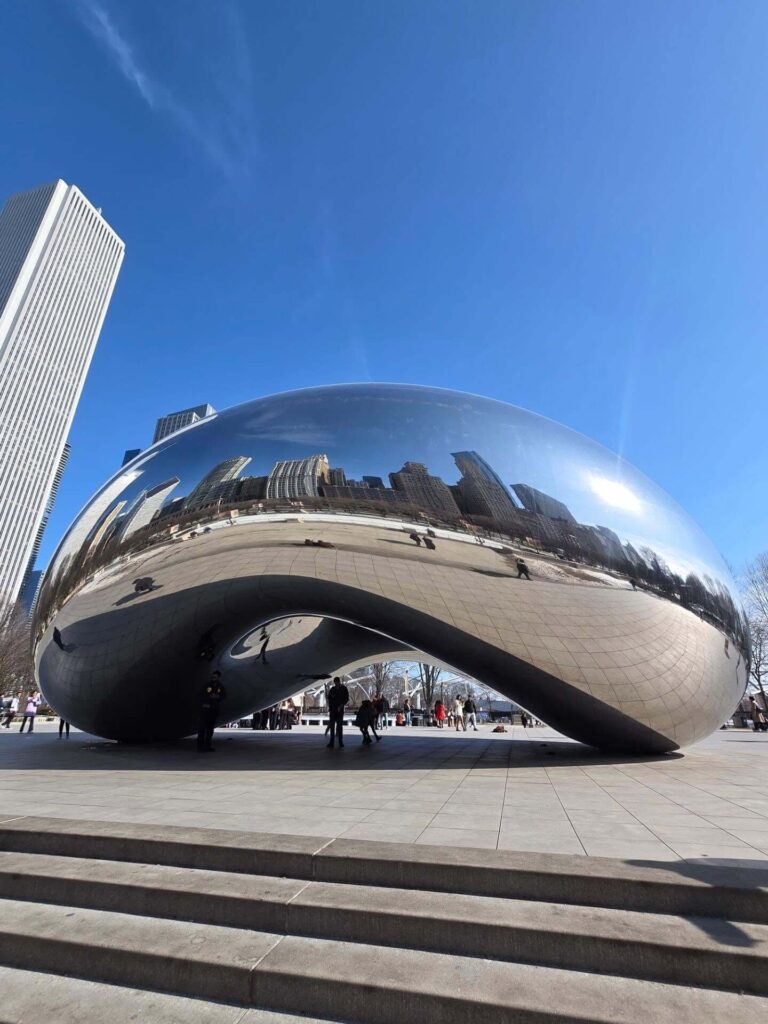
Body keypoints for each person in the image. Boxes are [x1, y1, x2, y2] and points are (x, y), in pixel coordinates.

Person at [197, 670, 226, 752]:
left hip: (213, 710)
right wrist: (206, 700)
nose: (214, 678)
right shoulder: (207, 685)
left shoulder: (220, 687)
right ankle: (200, 747)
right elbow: (201, 695)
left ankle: (207, 746)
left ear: (218, 677)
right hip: (205, 709)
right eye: (213, 676)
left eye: (215, 677)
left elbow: (223, 696)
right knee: (202, 728)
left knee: (210, 729)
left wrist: (217, 696)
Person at [327, 676, 349, 748]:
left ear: (339, 682)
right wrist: (330, 709)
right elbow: (329, 699)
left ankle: (340, 741)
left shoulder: (344, 689)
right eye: (335, 683)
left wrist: (341, 705)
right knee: (332, 727)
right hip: (333, 711)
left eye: (337, 683)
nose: (336, 684)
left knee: (339, 726)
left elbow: (346, 699)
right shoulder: (332, 689)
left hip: (340, 710)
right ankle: (331, 742)